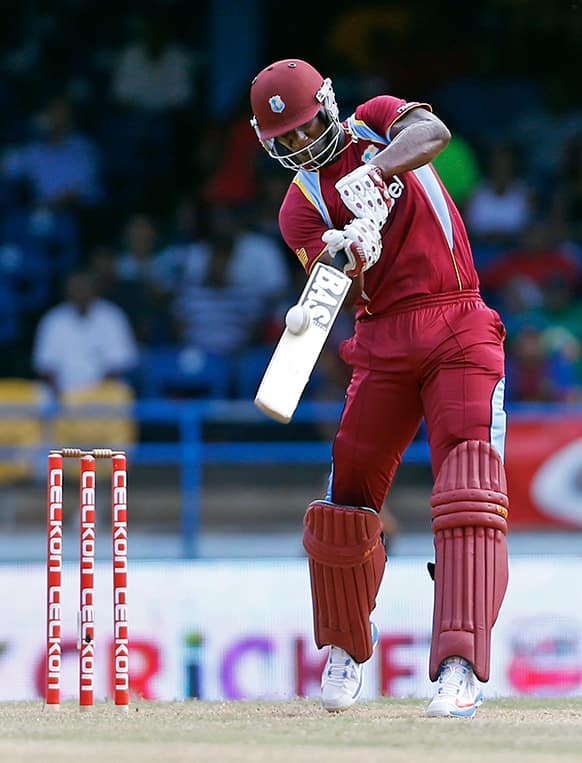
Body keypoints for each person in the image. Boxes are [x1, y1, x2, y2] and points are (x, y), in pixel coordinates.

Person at [249, 59, 509, 717]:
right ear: (266, 140)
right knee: (348, 492)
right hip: (383, 338)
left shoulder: (376, 120)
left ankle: (459, 664)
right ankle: (343, 650)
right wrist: (350, 245)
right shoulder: (299, 208)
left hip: (457, 319)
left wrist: (377, 173)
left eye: (307, 128)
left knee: (468, 486)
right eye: (285, 140)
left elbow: (434, 134)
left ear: (329, 107)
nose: (301, 146)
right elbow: (341, 288)